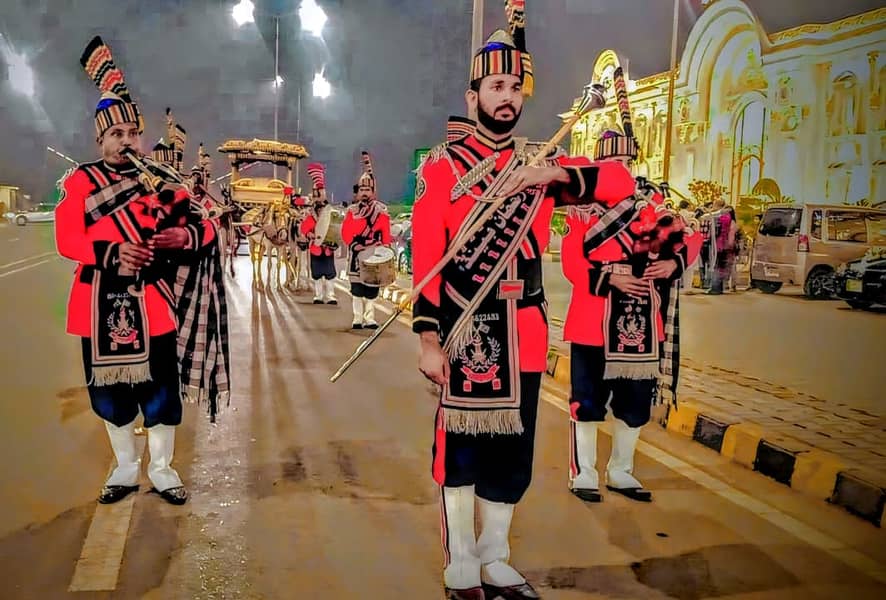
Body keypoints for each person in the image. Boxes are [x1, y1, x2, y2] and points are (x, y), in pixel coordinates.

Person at [411, 23, 638, 598]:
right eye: (495, 86)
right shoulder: (442, 166)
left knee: (512, 452)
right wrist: (427, 338)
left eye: (515, 85)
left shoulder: (539, 163)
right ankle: (461, 555)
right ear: (474, 97)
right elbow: (427, 257)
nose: (507, 96)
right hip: (464, 325)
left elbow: (619, 182)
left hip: (525, 330)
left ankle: (496, 554)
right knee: (459, 447)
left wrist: (552, 174)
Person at [55, 36, 224, 506]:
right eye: (116, 134)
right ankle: (127, 470)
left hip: (153, 303)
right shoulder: (81, 181)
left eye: (132, 133)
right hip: (98, 302)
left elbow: (205, 229)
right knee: (110, 396)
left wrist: (183, 238)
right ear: (100, 139)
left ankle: (163, 469)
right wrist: (110, 253)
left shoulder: (164, 182)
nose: (125, 141)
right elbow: (67, 238)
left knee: (160, 391)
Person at [561, 114, 702, 505]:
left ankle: (621, 470)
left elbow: (691, 239)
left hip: (641, 324)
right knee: (586, 401)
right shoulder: (583, 209)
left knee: (635, 402)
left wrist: (673, 264)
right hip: (593, 319)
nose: (618, 170)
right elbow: (573, 261)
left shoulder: (652, 206)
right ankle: (583, 472)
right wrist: (609, 278)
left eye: (624, 163)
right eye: (611, 165)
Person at [340, 152, 391, 329]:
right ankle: (357, 318)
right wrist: (355, 245)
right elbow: (345, 232)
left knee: (371, 289)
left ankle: (370, 318)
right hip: (356, 252)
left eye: (367, 190)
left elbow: (386, 234)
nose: (364, 193)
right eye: (362, 190)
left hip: (374, 253)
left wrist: (384, 248)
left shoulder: (381, 211)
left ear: (373, 192)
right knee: (357, 290)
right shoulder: (352, 211)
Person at [300, 163, 338, 304]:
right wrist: (309, 234)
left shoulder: (330, 212)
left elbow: (335, 226)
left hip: (328, 247)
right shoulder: (311, 215)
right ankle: (318, 295)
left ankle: (330, 295)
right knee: (316, 274)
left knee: (329, 273)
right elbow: (304, 227)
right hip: (316, 247)